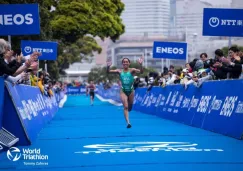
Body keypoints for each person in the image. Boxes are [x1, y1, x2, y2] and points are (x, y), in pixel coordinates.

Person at [106, 57, 144, 128]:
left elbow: (141, 72)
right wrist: (108, 66)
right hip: (123, 90)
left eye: (127, 62)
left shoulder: (132, 70)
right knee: (125, 107)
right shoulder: (119, 71)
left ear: (129, 63)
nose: (125, 63)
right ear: (122, 63)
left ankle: (129, 110)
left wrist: (141, 64)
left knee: (130, 107)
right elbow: (108, 72)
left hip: (131, 90)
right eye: (124, 62)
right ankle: (128, 122)